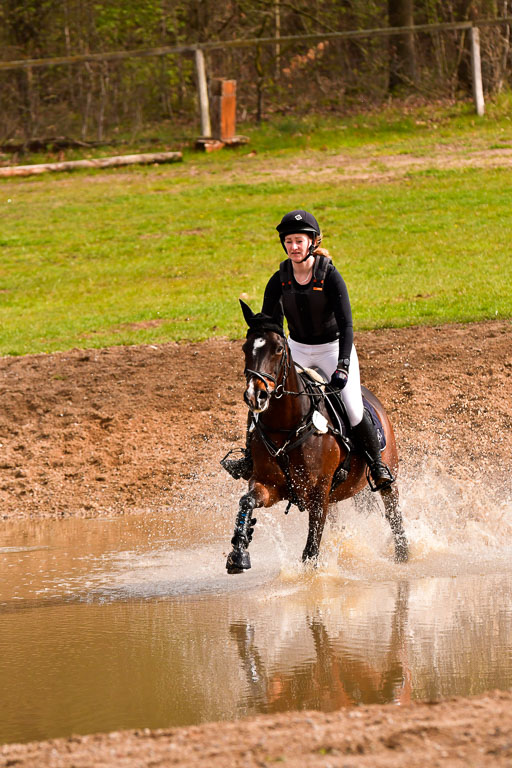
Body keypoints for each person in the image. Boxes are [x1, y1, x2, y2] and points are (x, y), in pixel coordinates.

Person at [223, 209, 394, 490]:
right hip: (297, 350)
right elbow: (272, 329)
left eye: (299, 241)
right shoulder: (278, 279)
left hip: (333, 349)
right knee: (262, 400)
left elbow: (347, 325)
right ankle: (249, 458)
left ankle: (377, 465)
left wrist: (343, 366)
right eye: (289, 241)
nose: (293, 247)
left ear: (312, 242)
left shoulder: (329, 276)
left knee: (352, 409)